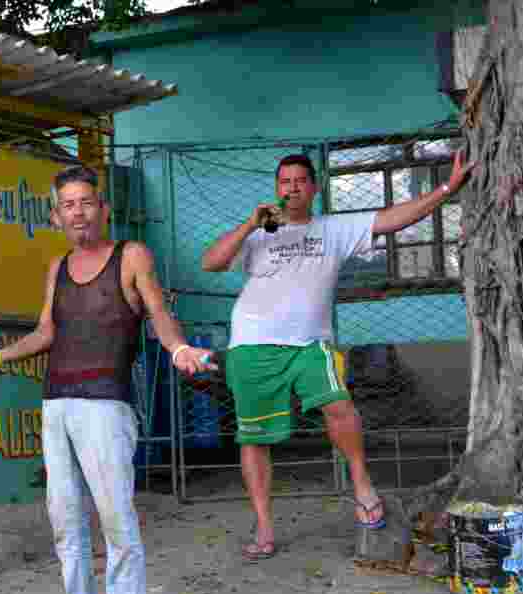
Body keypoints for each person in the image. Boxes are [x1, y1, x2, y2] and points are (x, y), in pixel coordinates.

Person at [0, 165, 213, 594]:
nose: (78, 212)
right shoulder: (58, 268)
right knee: (64, 519)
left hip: (105, 406)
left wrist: (177, 348)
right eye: (68, 205)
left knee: (116, 519)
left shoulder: (131, 256)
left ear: (103, 209)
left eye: (87, 202)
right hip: (57, 405)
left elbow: (157, 310)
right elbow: (46, 333)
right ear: (56, 215)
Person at [201, 151, 474, 561]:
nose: (291, 188)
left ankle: (362, 487)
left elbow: (393, 218)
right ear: (277, 189)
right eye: (284, 182)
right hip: (252, 344)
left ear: (314, 188)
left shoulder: (333, 229)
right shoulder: (258, 234)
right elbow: (212, 263)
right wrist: (249, 224)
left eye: (299, 181)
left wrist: (447, 188)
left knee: (339, 406)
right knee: (254, 438)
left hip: (311, 344)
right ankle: (264, 526)